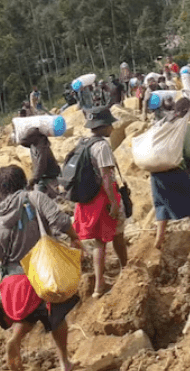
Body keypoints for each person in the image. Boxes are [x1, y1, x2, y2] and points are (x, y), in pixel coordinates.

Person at [0, 166, 81, 371]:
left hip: (12, 283)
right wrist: (75, 238)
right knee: (57, 317)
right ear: (23, 181)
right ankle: (64, 362)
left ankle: (16, 338)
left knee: (28, 316)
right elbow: (60, 220)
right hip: (42, 273)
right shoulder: (35, 197)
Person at [74, 109, 129, 297]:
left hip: (90, 201)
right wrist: (114, 202)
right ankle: (127, 270)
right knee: (118, 235)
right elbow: (106, 175)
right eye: (110, 125)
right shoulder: (102, 147)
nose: (112, 128)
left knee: (99, 241)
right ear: (103, 126)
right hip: (105, 198)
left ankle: (99, 287)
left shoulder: (83, 143)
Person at [149, 99, 190, 249]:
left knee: (161, 204)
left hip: (156, 171)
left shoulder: (160, 123)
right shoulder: (185, 128)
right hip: (175, 170)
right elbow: (189, 152)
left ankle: (159, 238)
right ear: (188, 112)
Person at [19, 128, 62, 198]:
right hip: (41, 177)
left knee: (58, 196)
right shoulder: (33, 145)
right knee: (39, 197)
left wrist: (33, 180)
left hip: (50, 176)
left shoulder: (42, 147)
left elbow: (41, 165)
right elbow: (22, 142)